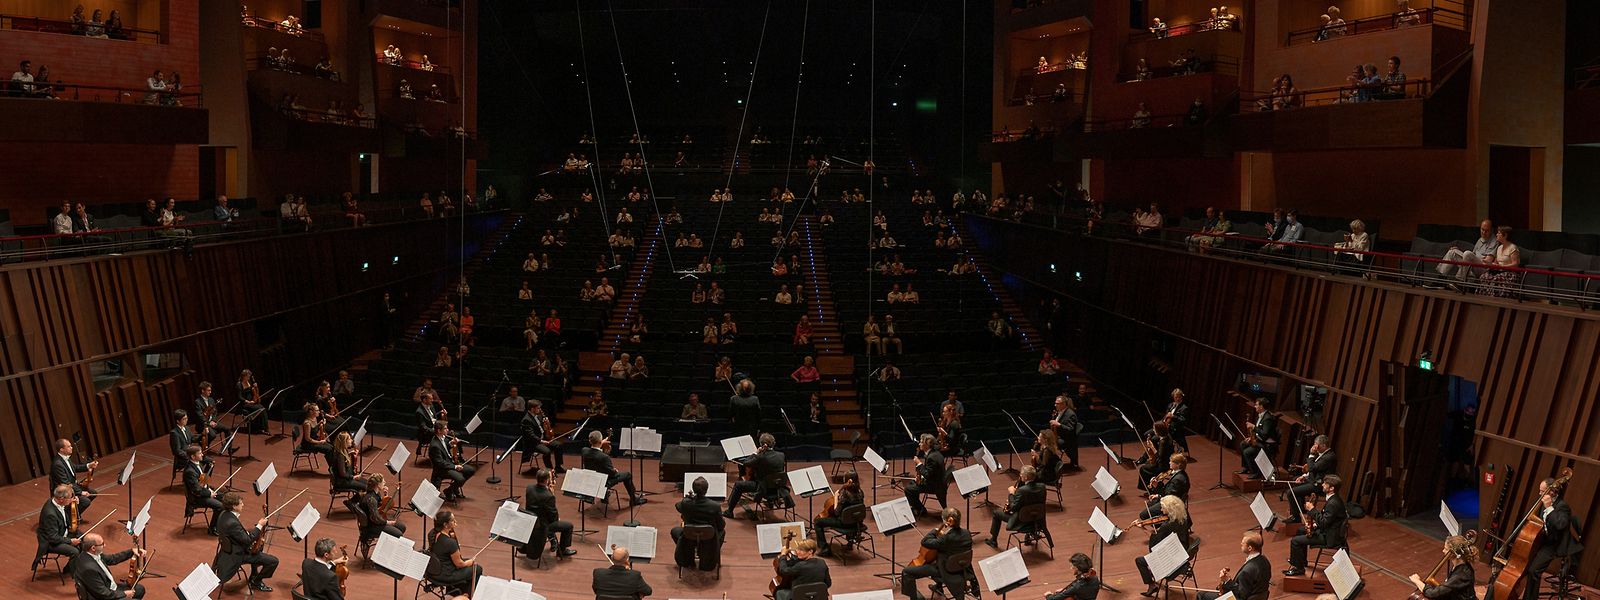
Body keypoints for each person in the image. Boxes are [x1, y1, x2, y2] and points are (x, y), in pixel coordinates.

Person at [1518, 476, 1584, 599]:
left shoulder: (1562, 506)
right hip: (1542, 540)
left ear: (1552, 492)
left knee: (1534, 570)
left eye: (1542, 491)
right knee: (1526, 567)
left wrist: (1549, 508)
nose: (1539, 493)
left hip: (1555, 543)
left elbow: (1560, 525)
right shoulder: (1542, 502)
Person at [900, 508, 974, 600]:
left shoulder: (945, 539)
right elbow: (952, 545)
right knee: (937, 557)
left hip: (945, 570)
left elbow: (925, 542)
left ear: (946, 520)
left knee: (907, 572)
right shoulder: (967, 533)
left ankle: (914, 598)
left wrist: (935, 531)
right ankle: (938, 587)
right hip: (961, 567)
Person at [1284, 475, 1348, 577]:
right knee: (1301, 530)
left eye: (1325, 484)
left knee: (1295, 541)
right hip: (1329, 530)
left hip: (1329, 537)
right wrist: (1314, 525)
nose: (1322, 485)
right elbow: (1328, 520)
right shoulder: (1333, 499)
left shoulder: (1333, 503)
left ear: (1331, 488)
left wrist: (1312, 509)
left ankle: (1298, 569)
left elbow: (1323, 523)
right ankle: (1301, 561)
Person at [213, 492, 278, 591]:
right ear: (234, 506)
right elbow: (247, 541)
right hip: (237, 555)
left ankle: (254, 573)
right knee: (273, 561)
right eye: (240, 503)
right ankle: (256, 581)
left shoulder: (224, 514)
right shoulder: (232, 523)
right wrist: (259, 525)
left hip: (229, 548)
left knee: (259, 546)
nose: (243, 504)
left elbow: (237, 534)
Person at [1133, 495, 1193, 597]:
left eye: (1163, 508)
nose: (1161, 509)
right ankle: (1153, 572)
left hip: (1172, 559)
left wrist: (1142, 528)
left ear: (1169, 509)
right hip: (1182, 552)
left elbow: (1154, 543)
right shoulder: (1183, 518)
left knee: (1139, 561)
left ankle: (1152, 585)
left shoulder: (1167, 525)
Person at [725, 433, 791, 518]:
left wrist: (756, 453)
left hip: (763, 488)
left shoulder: (760, 457)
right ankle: (771, 502)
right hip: (778, 487)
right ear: (773, 443)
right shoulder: (781, 455)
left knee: (738, 485)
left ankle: (729, 511)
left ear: (763, 445)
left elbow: (745, 463)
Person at [68, 532, 148, 599]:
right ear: (93, 548)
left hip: (109, 587)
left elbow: (113, 559)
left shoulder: (90, 554)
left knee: (140, 589)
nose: (105, 545)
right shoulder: (89, 569)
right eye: (102, 544)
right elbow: (103, 593)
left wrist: (131, 551)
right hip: (104, 596)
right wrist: (124, 594)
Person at [672, 475, 725, 570]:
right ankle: (709, 554)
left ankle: (689, 558)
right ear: (706, 490)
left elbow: (677, 506)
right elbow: (721, 526)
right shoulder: (715, 506)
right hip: (708, 537)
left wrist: (688, 498)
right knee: (722, 532)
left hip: (689, 536)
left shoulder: (686, 502)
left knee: (674, 531)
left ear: (693, 489)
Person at [521, 468, 576, 559]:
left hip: (530, 520)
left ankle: (552, 538)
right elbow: (553, 517)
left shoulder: (529, 488)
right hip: (542, 526)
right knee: (568, 526)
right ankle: (562, 550)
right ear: (546, 480)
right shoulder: (548, 496)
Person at [986, 465, 1047, 547]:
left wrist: (1012, 494)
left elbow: (1013, 508)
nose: (1020, 475)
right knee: (1029, 508)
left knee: (996, 513)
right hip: (1037, 519)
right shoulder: (1042, 487)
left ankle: (993, 540)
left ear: (1025, 477)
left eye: (1021, 474)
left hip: (1022, 521)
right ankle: (1029, 535)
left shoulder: (1022, 491)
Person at [1198, 532, 1271, 600]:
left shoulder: (1247, 571)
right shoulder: (1265, 560)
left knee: (1201, 595)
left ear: (1250, 548)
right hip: (1258, 596)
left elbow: (1241, 596)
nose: (1241, 544)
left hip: (1242, 597)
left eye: (1243, 544)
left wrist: (1227, 580)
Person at [582, 431, 646, 505]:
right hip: (603, 483)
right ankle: (634, 500)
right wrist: (614, 471)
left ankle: (604, 496)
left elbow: (594, 450)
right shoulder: (604, 457)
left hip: (591, 480)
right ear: (600, 441)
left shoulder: (584, 451)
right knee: (628, 475)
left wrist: (601, 443)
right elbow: (612, 474)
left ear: (590, 441)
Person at [425, 511, 482, 594]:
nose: (455, 521)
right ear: (445, 524)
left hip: (433, 571)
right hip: (445, 575)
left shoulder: (432, 533)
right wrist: (469, 563)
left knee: (468, 562)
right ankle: (467, 595)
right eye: (452, 520)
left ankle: (457, 591)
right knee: (477, 568)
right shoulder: (450, 542)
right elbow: (459, 564)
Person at [1284, 435, 1337, 524]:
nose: (1315, 448)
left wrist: (1311, 454)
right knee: (1295, 480)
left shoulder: (1329, 457)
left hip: (1319, 485)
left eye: (1317, 445)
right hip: (1313, 479)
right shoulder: (1322, 454)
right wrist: (1304, 476)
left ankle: (1296, 518)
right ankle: (1300, 509)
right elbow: (1313, 469)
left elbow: (1313, 468)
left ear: (1323, 446)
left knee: (1290, 493)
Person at [1406, 534, 1477, 600]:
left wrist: (1417, 581)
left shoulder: (1462, 574)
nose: (1443, 551)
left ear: (1453, 553)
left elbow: (1432, 594)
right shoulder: (1459, 566)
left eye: (1446, 549)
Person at [813, 472, 864, 556]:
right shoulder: (860, 492)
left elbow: (836, 512)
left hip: (845, 523)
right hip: (857, 522)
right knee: (849, 513)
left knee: (818, 522)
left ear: (848, 480)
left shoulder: (844, 494)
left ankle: (824, 548)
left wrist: (836, 497)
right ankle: (850, 542)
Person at [1437, 219, 1498, 284]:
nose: (1483, 232)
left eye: (1486, 231)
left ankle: (1461, 281)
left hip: (1483, 268)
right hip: (1473, 264)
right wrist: (1459, 251)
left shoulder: (1494, 242)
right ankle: (1441, 280)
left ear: (1491, 230)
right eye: (1482, 229)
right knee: (1453, 252)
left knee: (1467, 253)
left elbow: (1487, 261)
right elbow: (1472, 255)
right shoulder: (1480, 240)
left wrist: (1474, 257)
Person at [181, 444, 224, 534]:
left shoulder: (198, 464)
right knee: (220, 506)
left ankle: (219, 523)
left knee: (225, 498)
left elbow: (203, 481)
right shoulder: (190, 472)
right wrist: (209, 493)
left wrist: (209, 490)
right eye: (200, 453)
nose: (202, 455)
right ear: (193, 456)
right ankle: (212, 529)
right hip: (197, 498)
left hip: (203, 492)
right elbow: (196, 490)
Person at [428, 422, 477, 501]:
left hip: (450, 464)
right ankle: (450, 491)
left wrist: (450, 444)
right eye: (445, 428)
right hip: (442, 469)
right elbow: (440, 463)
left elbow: (444, 448)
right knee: (460, 479)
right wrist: (455, 467)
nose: (447, 430)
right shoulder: (434, 445)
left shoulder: (443, 438)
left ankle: (450, 490)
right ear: (439, 431)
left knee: (471, 470)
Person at [50, 438, 99, 516]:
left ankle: (76, 514)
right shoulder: (57, 464)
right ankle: (69, 518)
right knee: (86, 501)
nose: (71, 447)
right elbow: (65, 483)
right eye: (69, 446)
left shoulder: (65, 458)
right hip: (63, 491)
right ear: (62, 449)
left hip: (72, 486)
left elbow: (75, 468)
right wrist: (80, 492)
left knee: (93, 493)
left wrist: (89, 465)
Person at [904, 434, 948, 518]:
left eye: (921, 442)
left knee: (908, 489)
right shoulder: (934, 453)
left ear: (927, 444)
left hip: (935, 486)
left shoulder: (932, 457)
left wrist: (919, 463)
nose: (919, 444)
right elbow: (931, 472)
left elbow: (928, 475)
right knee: (911, 484)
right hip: (937, 481)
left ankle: (920, 509)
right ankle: (917, 507)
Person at [1236, 396, 1279, 479]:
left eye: (1256, 405)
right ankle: (1246, 467)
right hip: (1259, 440)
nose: (1255, 406)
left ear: (1261, 406)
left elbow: (1265, 434)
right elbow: (1259, 432)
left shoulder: (1267, 419)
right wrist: (1252, 438)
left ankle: (1256, 472)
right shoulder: (1260, 415)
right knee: (1243, 444)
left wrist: (1253, 427)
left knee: (1247, 452)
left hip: (1267, 444)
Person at [37, 484, 82, 561]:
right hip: (51, 542)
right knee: (75, 551)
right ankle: (72, 571)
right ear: (61, 499)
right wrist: (70, 541)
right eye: (70, 497)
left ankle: (75, 567)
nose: (72, 499)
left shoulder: (56, 501)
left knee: (86, 541)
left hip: (62, 532)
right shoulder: (50, 514)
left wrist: (70, 501)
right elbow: (53, 538)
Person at [1141, 453, 1192, 520]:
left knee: (1143, 515)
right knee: (1151, 503)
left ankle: (1164, 526)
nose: (1169, 462)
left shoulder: (1178, 479)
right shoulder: (1181, 474)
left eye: (1171, 461)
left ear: (1178, 465)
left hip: (1172, 504)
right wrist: (1157, 492)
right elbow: (1169, 492)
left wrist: (1158, 492)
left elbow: (1170, 497)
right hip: (1173, 500)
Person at [1476, 226, 1521, 297]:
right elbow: (1496, 263)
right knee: (1484, 276)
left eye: (1499, 233)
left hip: (1509, 273)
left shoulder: (1513, 248)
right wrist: (1490, 263)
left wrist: (1502, 267)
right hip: (1498, 271)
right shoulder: (1499, 248)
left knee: (1495, 279)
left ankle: (1494, 299)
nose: (1496, 234)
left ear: (1505, 235)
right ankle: (1483, 298)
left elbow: (1515, 264)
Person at [519, 400, 563, 472]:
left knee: (558, 445)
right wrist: (541, 441)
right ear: (532, 409)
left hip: (542, 439)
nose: (540, 410)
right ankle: (550, 470)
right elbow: (531, 436)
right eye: (538, 408)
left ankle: (558, 467)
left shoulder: (538, 416)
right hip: (533, 443)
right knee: (547, 451)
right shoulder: (526, 420)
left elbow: (541, 428)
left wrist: (546, 426)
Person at [359, 474, 407, 539]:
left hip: (376, 522)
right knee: (399, 534)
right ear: (378, 485)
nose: (385, 483)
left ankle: (388, 543)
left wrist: (385, 495)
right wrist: (388, 522)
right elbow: (376, 519)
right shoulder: (371, 499)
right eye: (383, 482)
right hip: (371, 527)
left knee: (402, 527)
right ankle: (386, 545)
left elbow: (380, 505)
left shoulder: (375, 494)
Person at [1048, 394, 1082, 469]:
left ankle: (1052, 462)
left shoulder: (1070, 414)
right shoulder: (1059, 411)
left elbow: (1070, 429)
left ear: (1063, 404)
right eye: (1055, 403)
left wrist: (1059, 425)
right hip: (1059, 435)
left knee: (1049, 442)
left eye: (1057, 403)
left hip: (1067, 438)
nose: (1055, 405)